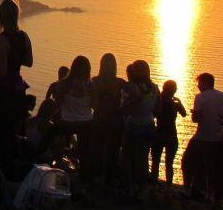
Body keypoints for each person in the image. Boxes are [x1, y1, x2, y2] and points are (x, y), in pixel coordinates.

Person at [0, 0, 33, 173]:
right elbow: (29, 61)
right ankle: (14, 168)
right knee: (12, 132)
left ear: (0, 17)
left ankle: (6, 171)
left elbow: (1, 71)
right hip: (18, 90)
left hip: (2, 93)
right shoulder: (24, 36)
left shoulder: (1, 40)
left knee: (2, 132)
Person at [181, 73, 223, 201]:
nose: (198, 86)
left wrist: (194, 113)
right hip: (218, 138)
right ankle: (210, 194)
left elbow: (195, 119)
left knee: (186, 162)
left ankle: (187, 191)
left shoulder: (200, 97)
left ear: (205, 83)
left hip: (202, 137)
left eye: (199, 83)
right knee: (211, 167)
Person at [120, 60, 161, 198]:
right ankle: (142, 189)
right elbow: (157, 109)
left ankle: (129, 186)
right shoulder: (155, 88)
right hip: (149, 124)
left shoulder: (132, 88)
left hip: (133, 125)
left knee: (126, 157)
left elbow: (125, 110)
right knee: (143, 159)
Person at [55, 55, 98, 183]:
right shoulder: (92, 85)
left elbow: (57, 103)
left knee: (50, 134)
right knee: (85, 152)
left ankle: (51, 164)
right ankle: (85, 180)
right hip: (86, 123)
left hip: (67, 121)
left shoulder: (64, 83)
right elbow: (95, 106)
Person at [93, 53, 127, 186]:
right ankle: (109, 177)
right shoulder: (120, 83)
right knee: (112, 150)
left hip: (98, 118)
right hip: (115, 120)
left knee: (98, 147)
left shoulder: (95, 81)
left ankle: (97, 174)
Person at [151, 79, 187, 188]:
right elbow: (184, 114)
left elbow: (153, 115)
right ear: (174, 91)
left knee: (155, 162)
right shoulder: (175, 104)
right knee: (169, 164)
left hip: (159, 133)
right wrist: (179, 103)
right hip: (171, 135)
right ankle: (168, 188)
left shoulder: (159, 102)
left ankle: (153, 186)